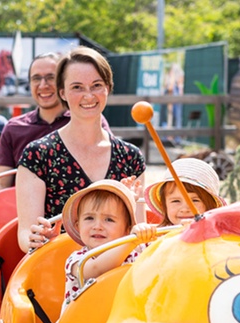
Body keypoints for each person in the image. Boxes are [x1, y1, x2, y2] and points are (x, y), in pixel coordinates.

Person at [19, 46, 145, 252]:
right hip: (56, 269)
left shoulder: (131, 157)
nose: (88, 95)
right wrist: (34, 238)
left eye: (96, 85)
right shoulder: (37, 155)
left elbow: (138, 233)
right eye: (77, 87)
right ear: (63, 93)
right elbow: (25, 233)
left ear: (108, 88)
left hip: (118, 271)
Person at [0, 52, 112, 203]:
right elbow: (3, 182)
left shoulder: (89, 120)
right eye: (36, 78)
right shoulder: (14, 128)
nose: (43, 85)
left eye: (51, 77)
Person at [58, 179, 155, 319]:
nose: (97, 226)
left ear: (127, 229)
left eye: (109, 220)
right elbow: (96, 269)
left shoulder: (135, 250)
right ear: (78, 225)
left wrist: (141, 231)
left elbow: (155, 247)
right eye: (89, 218)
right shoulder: (78, 260)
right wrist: (132, 240)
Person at [144, 157, 226, 226]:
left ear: (212, 206)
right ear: (164, 205)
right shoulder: (156, 237)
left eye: (195, 200)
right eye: (175, 201)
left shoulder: (218, 238)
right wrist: (137, 238)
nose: (185, 209)